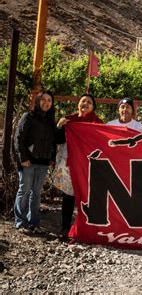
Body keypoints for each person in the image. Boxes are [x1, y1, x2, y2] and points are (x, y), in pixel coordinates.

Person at [55, 94, 104, 239]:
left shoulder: (98, 123)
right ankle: (65, 228)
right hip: (70, 164)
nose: (85, 104)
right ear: (78, 104)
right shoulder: (69, 120)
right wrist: (59, 127)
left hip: (89, 165)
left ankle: (86, 229)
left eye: (89, 102)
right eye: (83, 101)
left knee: (87, 198)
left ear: (93, 107)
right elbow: (58, 139)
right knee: (69, 197)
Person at [14, 91, 56, 232]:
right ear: (38, 101)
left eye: (49, 100)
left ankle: (34, 223)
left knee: (36, 193)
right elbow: (18, 137)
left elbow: (54, 141)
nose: (46, 102)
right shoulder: (29, 116)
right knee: (24, 191)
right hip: (28, 162)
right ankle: (21, 222)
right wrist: (23, 158)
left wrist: (52, 157)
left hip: (43, 163)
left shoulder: (51, 121)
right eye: (43, 99)